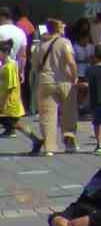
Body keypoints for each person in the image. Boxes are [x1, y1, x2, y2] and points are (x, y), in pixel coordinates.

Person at [31, 20, 77, 157]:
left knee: (47, 115)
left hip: (46, 81)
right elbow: (71, 62)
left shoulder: (39, 45)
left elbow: (35, 66)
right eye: (63, 25)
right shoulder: (64, 42)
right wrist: (74, 77)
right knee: (69, 113)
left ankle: (49, 146)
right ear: (57, 28)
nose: (65, 27)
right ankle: (69, 141)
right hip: (64, 80)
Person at [0, 39, 23, 140]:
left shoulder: (9, 66)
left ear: (5, 52)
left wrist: (3, 102)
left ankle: (35, 139)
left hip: (9, 102)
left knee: (12, 121)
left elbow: (11, 86)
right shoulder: (4, 65)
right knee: (13, 123)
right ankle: (10, 129)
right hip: (4, 99)